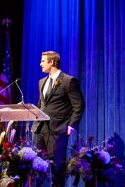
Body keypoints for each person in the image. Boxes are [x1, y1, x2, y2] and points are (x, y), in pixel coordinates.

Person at [31, 51, 85, 187]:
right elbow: (41, 104)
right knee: (37, 167)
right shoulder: (41, 82)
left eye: (43, 61)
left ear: (51, 62)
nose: (40, 64)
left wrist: (71, 126)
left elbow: (79, 105)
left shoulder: (68, 81)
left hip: (58, 131)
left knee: (57, 169)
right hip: (40, 130)